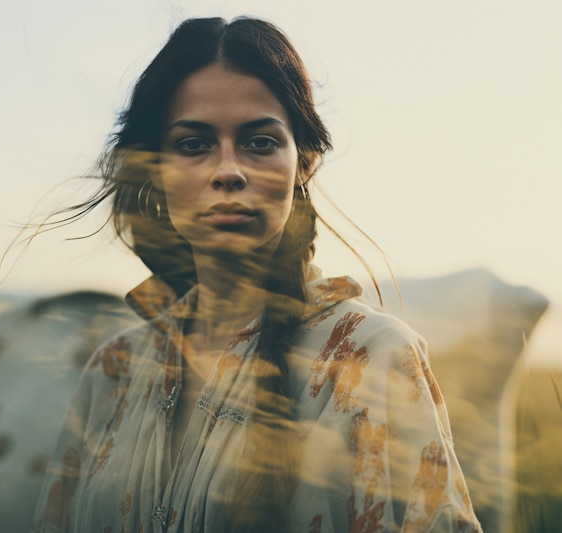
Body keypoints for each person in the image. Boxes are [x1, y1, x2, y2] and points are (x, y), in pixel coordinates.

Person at [30, 16, 482, 532]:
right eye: (193, 144)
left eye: (260, 142)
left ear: (304, 161)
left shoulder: (370, 357)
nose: (229, 171)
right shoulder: (114, 370)